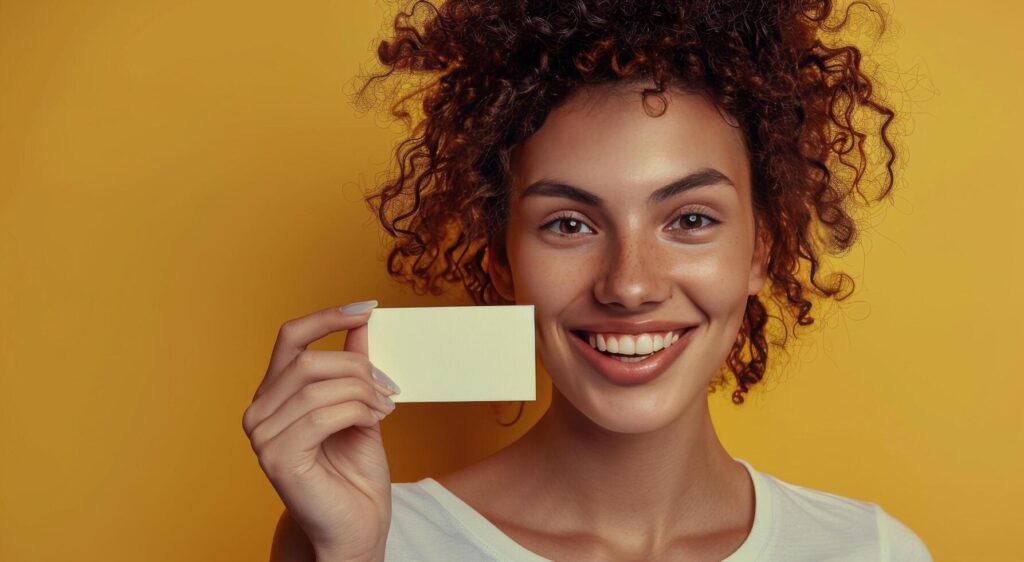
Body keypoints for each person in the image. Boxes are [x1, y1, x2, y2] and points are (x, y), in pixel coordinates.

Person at [242, 1, 933, 560]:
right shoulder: (369, 536)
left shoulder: (870, 551)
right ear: (502, 264)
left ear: (763, 251)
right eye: (569, 225)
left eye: (690, 218)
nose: (629, 286)